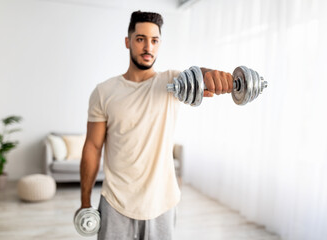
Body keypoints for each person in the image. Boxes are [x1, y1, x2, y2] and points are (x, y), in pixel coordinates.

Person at [78, 10, 233, 240]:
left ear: (159, 44)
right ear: (128, 41)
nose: (148, 47)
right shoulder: (104, 92)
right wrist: (85, 202)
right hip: (115, 203)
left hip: (162, 204)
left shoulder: (172, 82)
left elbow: (197, 75)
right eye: (140, 39)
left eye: (154, 40)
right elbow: (92, 147)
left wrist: (214, 76)